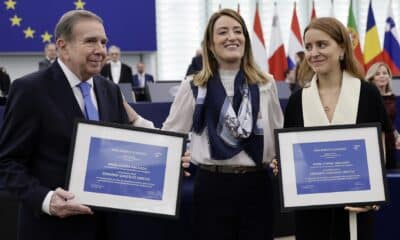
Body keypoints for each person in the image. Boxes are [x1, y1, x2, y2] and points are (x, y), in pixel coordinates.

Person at [0, 10, 150, 240]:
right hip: (51, 229)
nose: (101, 50)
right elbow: (8, 162)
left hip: (105, 227)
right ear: (63, 46)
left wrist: (164, 161)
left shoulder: (109, 90)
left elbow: (125, 151)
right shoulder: (29, 90)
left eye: (103, 42)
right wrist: (46, 200)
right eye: (90, 41)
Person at [162, 9, 283, 240]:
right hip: (212, 186)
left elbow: (279, 134)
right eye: (223, 32)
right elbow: (171, 134)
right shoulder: (194, 85)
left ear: (245, 40)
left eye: (238, 31)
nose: (232, 37)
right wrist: (180, 154)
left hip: (257, 185)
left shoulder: (266, 83)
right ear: (210, 43)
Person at [284, 17, 391, 240]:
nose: (313, 53)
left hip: (355, 210)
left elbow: (380, 153)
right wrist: (282, 164)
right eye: (309, 47)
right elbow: (293, 157)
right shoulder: (297, 100)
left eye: (322, 45)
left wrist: (373, 196)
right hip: (310, 212)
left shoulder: (368, 94)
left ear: (342, 48)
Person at [366, 61, 400, 169]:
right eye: (377, 74)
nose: (382, 76)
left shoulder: (395, 98)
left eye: (385, 73)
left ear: (389, 76)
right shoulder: (367, 98)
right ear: (371, 78)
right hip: (374, 141)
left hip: (391, 142)